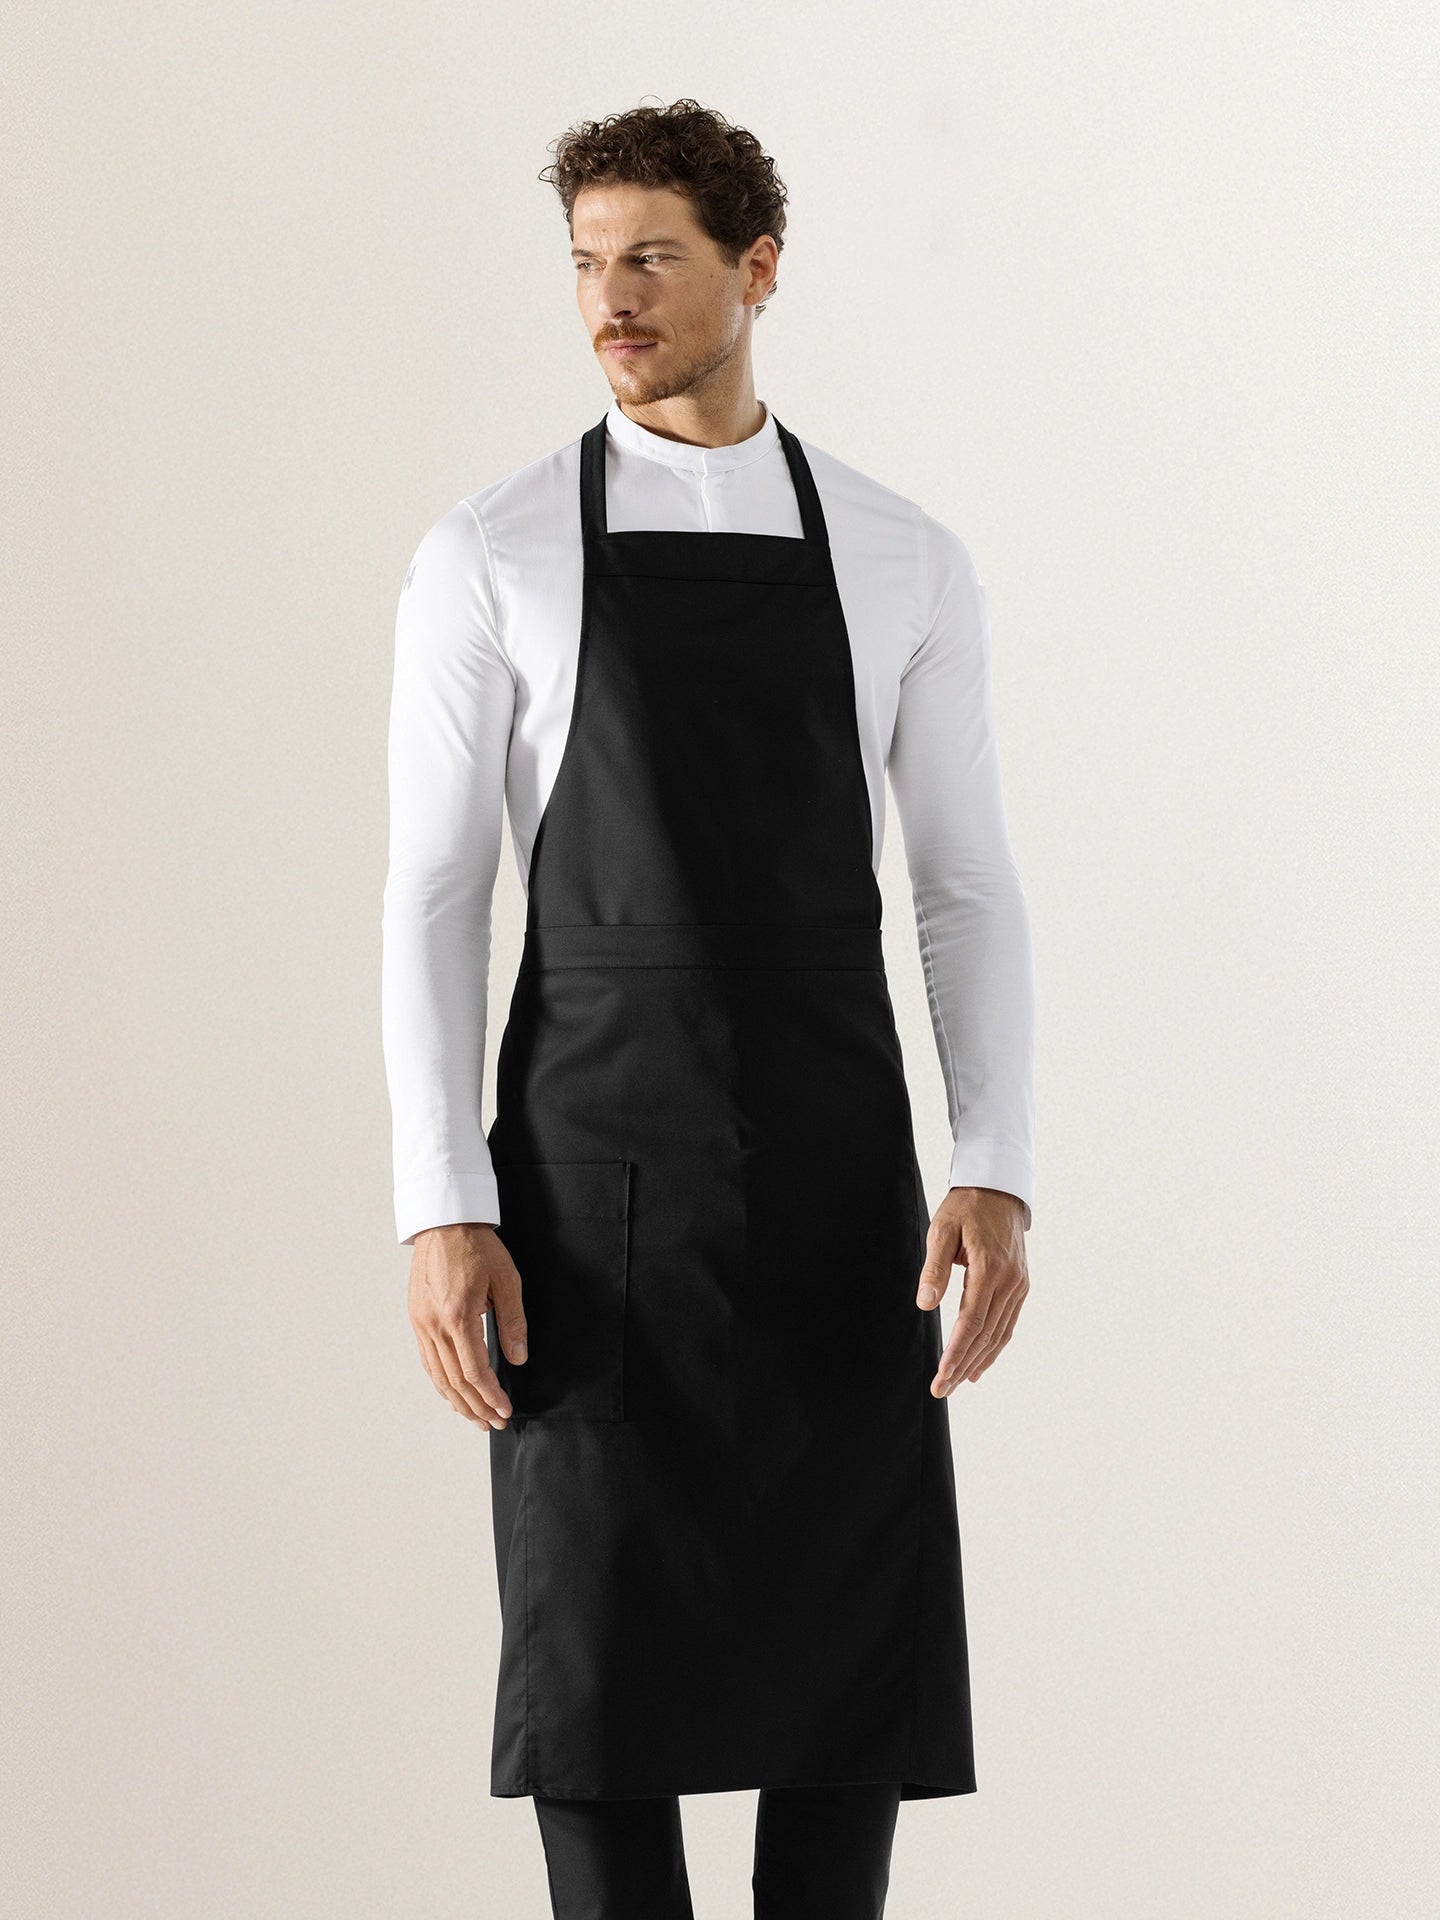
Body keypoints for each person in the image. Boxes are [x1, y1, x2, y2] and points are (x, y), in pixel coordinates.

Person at [381, 97, 1035, 1920]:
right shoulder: (491, 551)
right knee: (594, 1701)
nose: (612, 298)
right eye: (587, 263)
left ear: (759, 270)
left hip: (835, 1191)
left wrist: (994, 1158)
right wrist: (440, 1201)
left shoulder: (903, 553)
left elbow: (965, 883)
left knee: (846, 1711)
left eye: (653, 258)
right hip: (586, 1200)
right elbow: (433, 895)